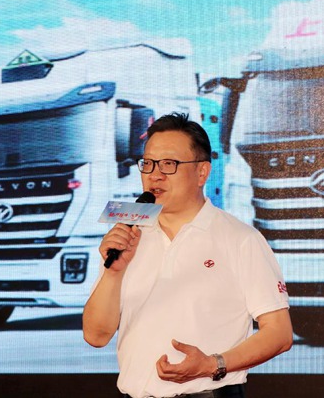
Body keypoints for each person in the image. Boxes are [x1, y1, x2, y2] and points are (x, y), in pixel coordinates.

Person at [83, 112, 293, 398]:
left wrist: (212, 364)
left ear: (202, 172)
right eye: (148, 163)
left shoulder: (240, 238)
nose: (155, 175)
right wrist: (113, 273)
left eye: (169, 164)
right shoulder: (127, 236)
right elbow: (96, 336)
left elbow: (279, 334)